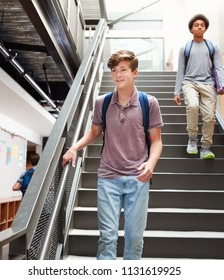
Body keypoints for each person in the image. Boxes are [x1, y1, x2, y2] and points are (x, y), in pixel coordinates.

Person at [62, 50, 163, 260]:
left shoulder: (149, 102)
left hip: (138, 178)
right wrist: (74, 148)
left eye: (123, 70)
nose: (118, 74)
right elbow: (94, 132)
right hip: (108, 178)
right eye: (114, 70)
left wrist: (151, 163)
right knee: (107, 238)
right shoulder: (102, 102)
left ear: (135, 73)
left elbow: (157, 141)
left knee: (134, 240)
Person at [173, 14, 224, 159]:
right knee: (193, 106)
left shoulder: (212, 47)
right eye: (196, 25)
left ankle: (206, 147)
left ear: (205, 28)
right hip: (189, 83)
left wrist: (222, 83)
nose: (199, 27)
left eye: (202, 25)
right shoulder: (185, 48)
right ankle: (192, 139)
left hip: (208, 84)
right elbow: (181, 71)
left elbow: (219, 67)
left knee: (209, 117)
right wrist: (177, 91)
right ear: (191, 29)